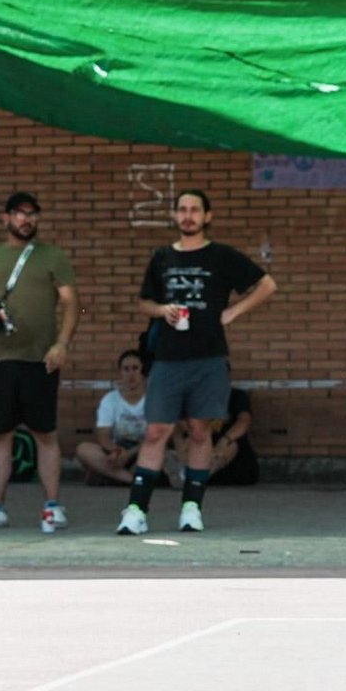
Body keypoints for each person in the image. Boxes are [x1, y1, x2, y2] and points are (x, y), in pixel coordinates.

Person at [119, 190, 277, 535]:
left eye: (194, 210)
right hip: (167, 360)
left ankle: (191, 507)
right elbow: (145, 303)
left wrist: (233, 311)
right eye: (182, 210)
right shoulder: (162, 257)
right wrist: (162, 311)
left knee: (200, 431)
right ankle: (136, 510)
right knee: (156, 430)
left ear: (208, 216)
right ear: (175, 216)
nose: (188, 215)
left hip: (209, 359)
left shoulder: (221, 256)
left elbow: (267, 284)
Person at [0, 192, 79, 532]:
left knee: (46, 433)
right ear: (6, 218)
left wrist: (62, 344)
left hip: (42, 360)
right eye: (20, 214)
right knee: (0, 434)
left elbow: (71, 303)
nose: (27, 220)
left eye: (32, 214)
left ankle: (52, 506)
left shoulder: (53, 256)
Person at [76, 350, 149, 486]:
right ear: (120, 373)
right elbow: (103, 435)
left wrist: (130, 453)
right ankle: (133, 480)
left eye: (135, 368)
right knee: (84, 449)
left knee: (162, 455)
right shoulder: (110, 399)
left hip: (141, 451)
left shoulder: (152, 399)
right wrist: (117, 451)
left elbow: (153, 436)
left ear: (142, 371)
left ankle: (110, 476)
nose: (130, 374)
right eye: (126, 369)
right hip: (116, 452)